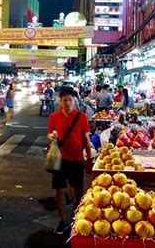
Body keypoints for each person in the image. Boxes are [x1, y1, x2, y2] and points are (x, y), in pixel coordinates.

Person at [48, 89, 92, 234]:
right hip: (59, 159)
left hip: (77, 159)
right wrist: (51, 138)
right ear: (60, 101)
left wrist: (89, 158)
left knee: (78, 190)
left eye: (70, 100)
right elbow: (50, 135)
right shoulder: (54, 116)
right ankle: (62, 221)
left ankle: (76, 217)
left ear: (75, 101)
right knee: (59, 190)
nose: (67, 102)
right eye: (64, 100)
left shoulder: (82, 117)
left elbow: (86, 139)